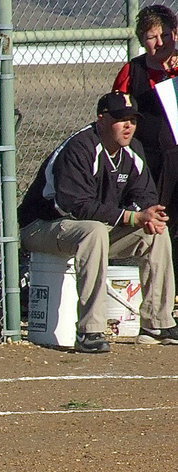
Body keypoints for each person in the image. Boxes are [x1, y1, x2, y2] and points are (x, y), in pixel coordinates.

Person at [18, 90, 178, 353]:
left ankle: (156, 323)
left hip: (95, 229)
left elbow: (145, 195)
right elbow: (73, 206)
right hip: (42, 227)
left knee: (155, 233)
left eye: (133, 120)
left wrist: (148, 215)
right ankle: (90, 330)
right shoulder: (80, 147)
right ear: (102, 119)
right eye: (120, 118)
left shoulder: (132, 150)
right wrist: (130, 216)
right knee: (93, 232)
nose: (128, 126)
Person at [113, 4, 178, 287]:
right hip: (148, 159)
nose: (160, 42)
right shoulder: (133, 71)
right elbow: (117, 109)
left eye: (165, 34)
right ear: (142, 40)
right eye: (152, 37)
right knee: (157, 219)